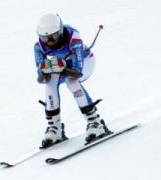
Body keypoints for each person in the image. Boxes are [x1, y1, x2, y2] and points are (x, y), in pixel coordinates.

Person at [34, 13, 110, 148]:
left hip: (85, 62)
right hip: (63, 65)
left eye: (54, 36)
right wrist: (44, 73)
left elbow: (77, 70)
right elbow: (40, 75)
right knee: (49, 83)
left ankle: (95, 122)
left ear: (61, 32)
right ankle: (54, 127)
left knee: (72, 82)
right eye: (45, 38)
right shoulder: (39, 46)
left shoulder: (73, 37)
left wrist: (61, 68)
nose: (50, 41)